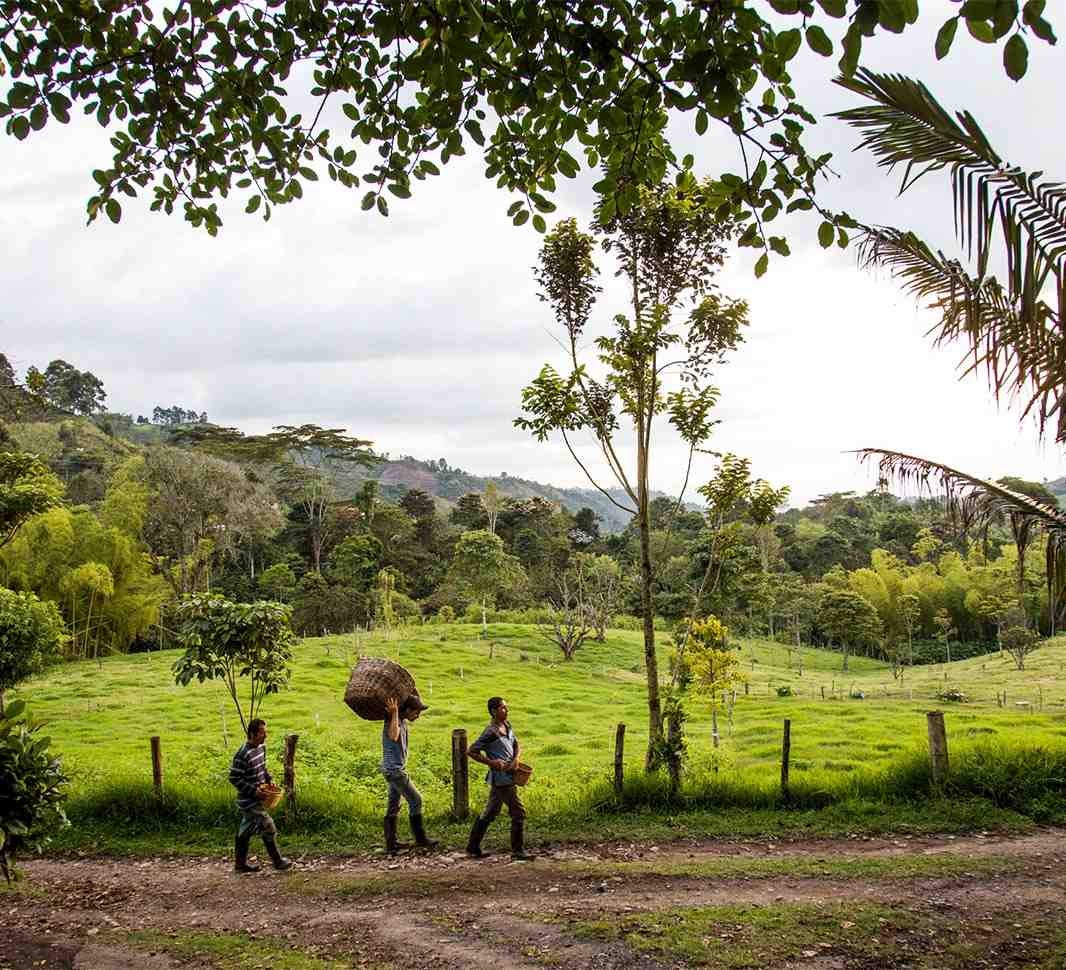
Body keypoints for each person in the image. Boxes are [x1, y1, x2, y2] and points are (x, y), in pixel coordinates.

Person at [465, 696, 534, 861]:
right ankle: (517, 851)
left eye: (506, 708)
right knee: (518, 813)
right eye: (503, 708)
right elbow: (471, 751)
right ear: (494, 711)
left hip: (508, 776)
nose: (506, 710)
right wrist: (491, 762)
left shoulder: (507, 725)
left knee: (490, 812)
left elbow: (516, 744)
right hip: (502, 779)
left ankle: (472, 847)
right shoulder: (490, 732)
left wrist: (516, 759)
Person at [228, 718, 292, 873]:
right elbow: (234, 778)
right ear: (252, 734)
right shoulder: (242, 754)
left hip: (259, 798)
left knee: (246, 829)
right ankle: (278, 862)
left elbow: (262, 768)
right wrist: (253, 791)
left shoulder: (261, 748)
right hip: (249, 801)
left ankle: (240, 864)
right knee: (268, 826)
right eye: (263, 732)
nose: (266, 735)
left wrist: (269, 780)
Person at [382, 695, 437, 855]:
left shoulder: (402, 721)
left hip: (392, 769)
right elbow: (393, 736)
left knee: (393, 805)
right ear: (407, 710)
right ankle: (421, 839)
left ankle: (391, 844)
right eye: (416, 712)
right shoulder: (393, 721)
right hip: (395, 771)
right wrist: (394, 713)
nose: (418, 715)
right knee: (416, 800)